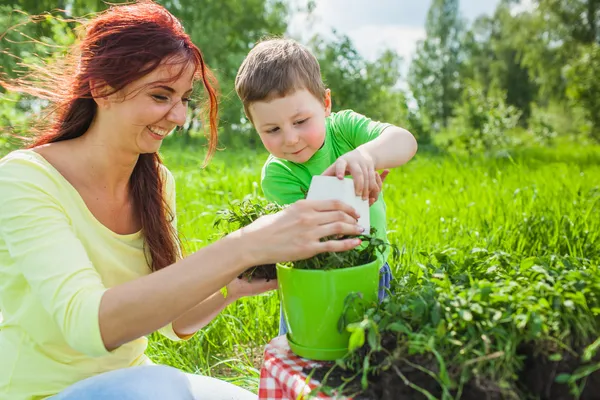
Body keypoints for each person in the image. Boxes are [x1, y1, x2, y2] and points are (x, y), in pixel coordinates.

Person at [0, 2, 367, 399]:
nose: (177, 116)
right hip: (46, 393)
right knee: (159, 387)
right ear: (102, 88)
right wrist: (245, 244)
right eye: (161, 96)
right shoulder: (25, 178)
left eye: (184, 99)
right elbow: (90, 326)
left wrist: (238, 281)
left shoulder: (155, 182)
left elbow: (174, 322)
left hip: (135, 382)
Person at [234, 38, 418, 336]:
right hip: (314, 282)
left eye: (301, 121)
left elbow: (405, 141)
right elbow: (309, 240)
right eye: (272, 130)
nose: (290, 138)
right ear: (254, 126)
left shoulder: (344, 129)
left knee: (375, 352)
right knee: (312, 352)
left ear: (326, 104)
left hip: (372, 270)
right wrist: (348, 197)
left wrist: (366, 155)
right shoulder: (278, 173)